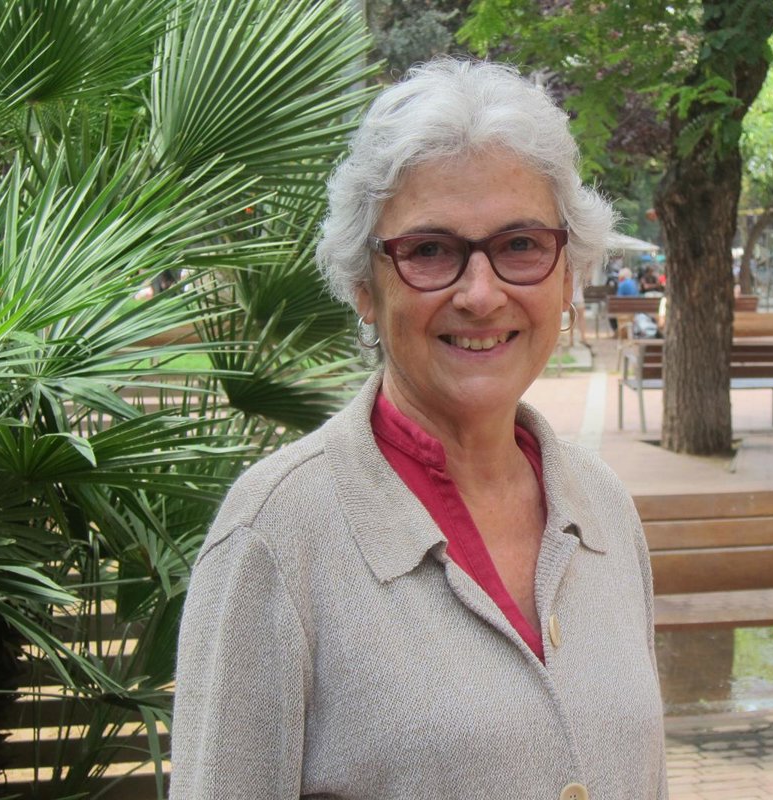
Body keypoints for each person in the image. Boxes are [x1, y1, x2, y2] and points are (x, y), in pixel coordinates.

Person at [169, 59, 667, 799]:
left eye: (520, 245)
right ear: (364, 288)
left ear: (568, 275)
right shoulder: (276, 536)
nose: (481, 294)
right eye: (430, 251)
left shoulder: (601, 507)